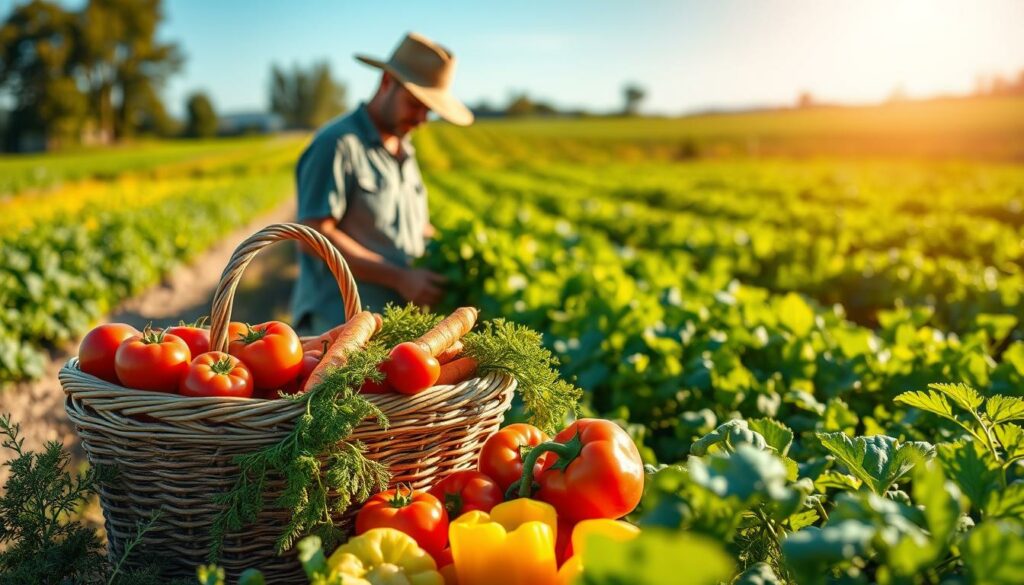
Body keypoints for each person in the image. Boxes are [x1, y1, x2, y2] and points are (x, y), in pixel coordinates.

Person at [290, 32, 474, 335]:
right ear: (387, 82)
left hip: (395, 326)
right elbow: (313, 236)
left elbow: (417, 227)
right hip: (340, 326)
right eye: (415, 104)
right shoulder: (337, 144)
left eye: (429, 109)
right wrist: (400, 277)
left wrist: (453, 254)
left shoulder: (405, 151)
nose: (422, 118)